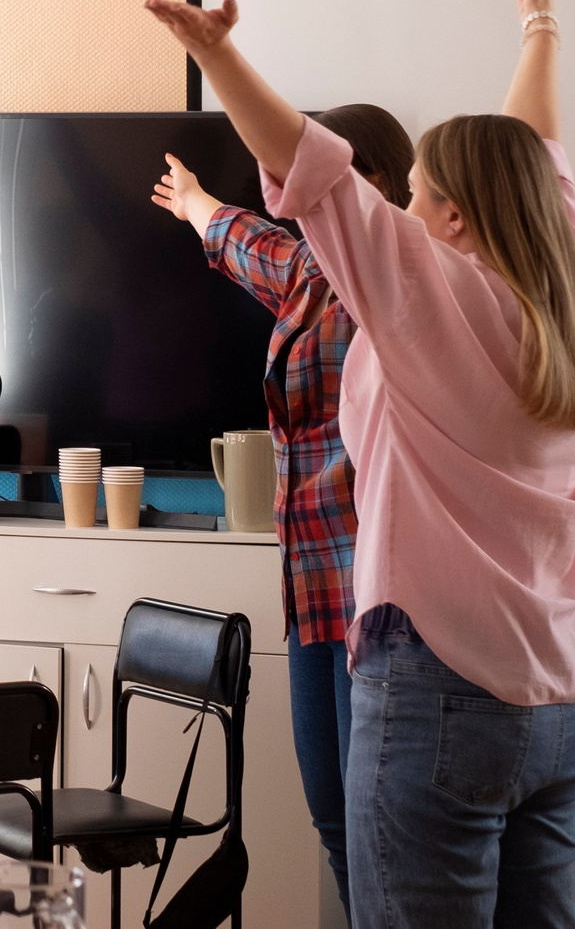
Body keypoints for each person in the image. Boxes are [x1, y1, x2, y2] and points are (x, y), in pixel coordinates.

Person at [147, 0, 575, 929]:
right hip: (554, 709)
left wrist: (221, 59)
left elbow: (317, 176)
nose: (399, 209)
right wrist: (540, 29)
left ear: (451, 217)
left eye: (413, 194)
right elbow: (535, 151)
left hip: (439, 692)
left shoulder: (428, 294)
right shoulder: (564, 293)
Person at [152, 102, 414, 920]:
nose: (287, 196)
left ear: (361, 182)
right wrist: (196, 202)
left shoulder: (405, 278)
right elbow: (251, 247)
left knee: (380, 832)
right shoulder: (309, 271)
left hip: (379, 604)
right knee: (335, 819)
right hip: (312, 597)